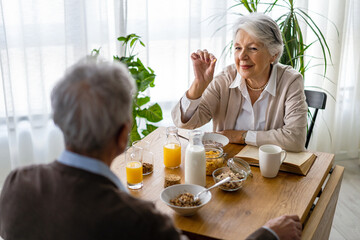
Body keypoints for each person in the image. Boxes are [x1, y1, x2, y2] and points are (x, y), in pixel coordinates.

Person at [0, 60, 301, 240]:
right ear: (123, 135)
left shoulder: (16, 185)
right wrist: (269, 234)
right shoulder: (142, 222)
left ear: (60, 121)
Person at [172, 13, 308, 152]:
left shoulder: (290, 81)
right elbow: (186, 124)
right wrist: (198, 84)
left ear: (273, 54)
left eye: (253, 48)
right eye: (238, 48)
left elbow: (295, 139)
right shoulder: (225, 79)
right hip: (225, 168)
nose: (242, 56)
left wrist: (241, 136)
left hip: (274, 169)